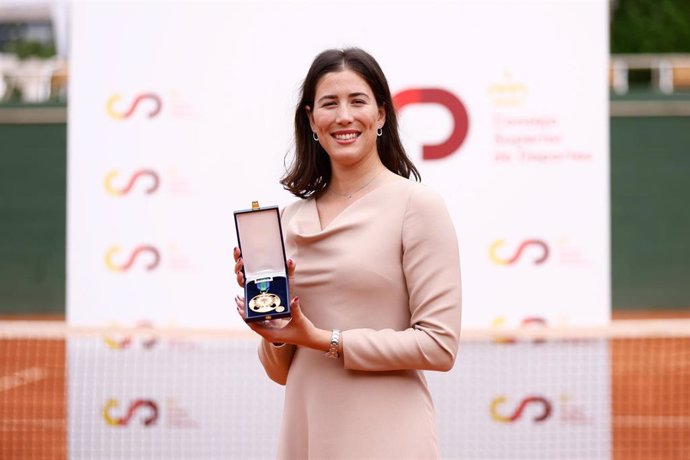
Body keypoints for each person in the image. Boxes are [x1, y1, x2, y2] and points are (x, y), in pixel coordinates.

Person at [233, 47, 461, 459]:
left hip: (390, 435)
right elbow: (280, 371)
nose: (343, 116)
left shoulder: (417, 205)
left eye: (357, 101)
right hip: (306, 430)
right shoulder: (287, 220)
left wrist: (324, 340)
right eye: (329, 103)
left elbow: (438, 347)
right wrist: (274, 329)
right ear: (311, 120)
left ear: (381, 115)